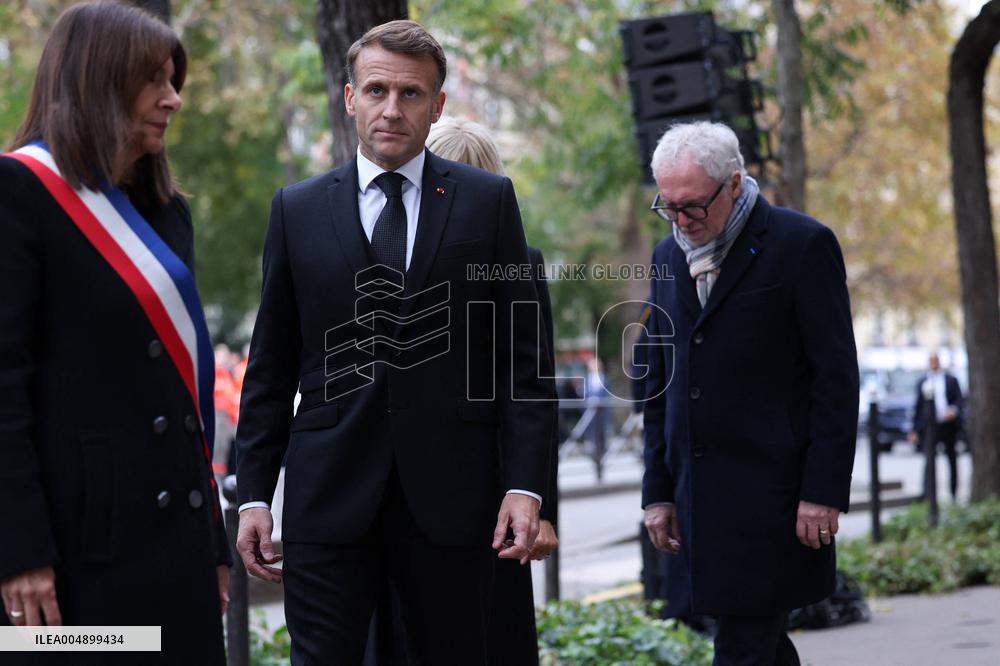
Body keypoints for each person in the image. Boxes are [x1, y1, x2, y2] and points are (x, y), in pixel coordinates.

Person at [234, 21, 553, 664]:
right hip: (328, 495)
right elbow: (271, 366)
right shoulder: (295, 210)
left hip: (452, 498)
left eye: (411, 94)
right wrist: (254, 494)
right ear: (350, 97)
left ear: (437, 105)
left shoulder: (488, 201)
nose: (391, 109)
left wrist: (526, 486)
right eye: (376, 90)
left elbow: (523, 363)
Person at [0, 3, 230, 663]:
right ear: (99, 80)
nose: (173, 99)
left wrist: (212, 544)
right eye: (155, 80)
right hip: (77, 555)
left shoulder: (167, 212)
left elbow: (182, 396)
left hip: (178, 541)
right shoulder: (19, 192)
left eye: (173, 80)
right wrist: (19, 552)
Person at [641, 121, 859, 665]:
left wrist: (823, 491)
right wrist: (658, 492)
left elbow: (836, 379)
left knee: (743, 645)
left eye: (693, 205)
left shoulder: (802, 244)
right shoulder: (666, 256)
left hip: (774, 499)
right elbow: (659, 382)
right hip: (697, 500)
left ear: (734, 183)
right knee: (759, 646)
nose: (681, 221)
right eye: (668, 207)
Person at [363, 116, 559, 665]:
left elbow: (533, 385)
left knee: (480, 635)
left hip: (486, 490)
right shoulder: (378, 249)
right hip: (391, 484)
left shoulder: (519, 262)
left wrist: (540, 504)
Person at [908, 352, 964, 501]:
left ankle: (953, 493)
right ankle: (927, 494)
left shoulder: (951, 380)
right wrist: (914, 430)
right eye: (931, 360)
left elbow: (959, 401)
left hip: (948, 425)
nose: (933, 363)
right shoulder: (923, 381)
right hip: (930, 426)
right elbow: (918, 407)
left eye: (935, 360)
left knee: (952, 459)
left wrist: (953, 410)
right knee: (929, 459)